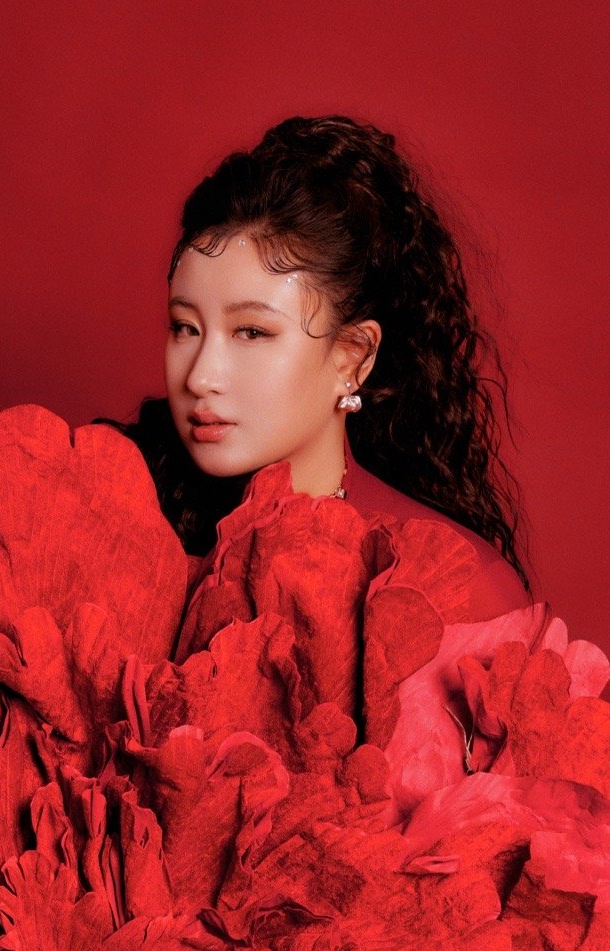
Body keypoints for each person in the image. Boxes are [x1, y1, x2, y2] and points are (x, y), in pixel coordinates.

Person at [97, 114, 531, 622]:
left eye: (251, 332)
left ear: (352, 356)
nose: (199, 377)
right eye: (185, 328)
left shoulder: (456, 589)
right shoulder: (113, 537)